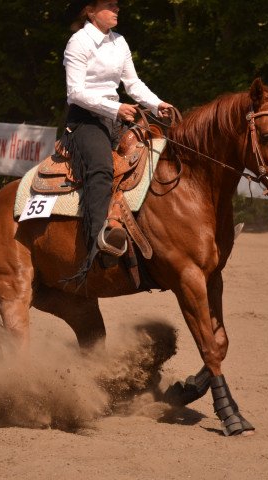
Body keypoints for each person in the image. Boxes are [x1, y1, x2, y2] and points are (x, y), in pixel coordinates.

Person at [60, 0, 173, 280]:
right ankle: (99, 246)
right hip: (85, 120)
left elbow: (132, 84)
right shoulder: (78, 42)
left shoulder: (119, 42)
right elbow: (75, 92)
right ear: (90, 11)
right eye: (109, 5)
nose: (116, 9)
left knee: (155, 157)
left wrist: (157, 104)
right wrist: (115, 108)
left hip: (116, 118)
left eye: (117, 5)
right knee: (102, 169)